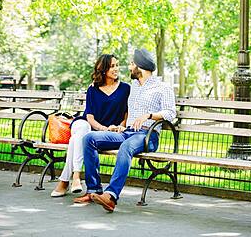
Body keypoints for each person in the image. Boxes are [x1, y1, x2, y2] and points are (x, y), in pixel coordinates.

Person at [73, 48, 176, 213]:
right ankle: (94, 190)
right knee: (89, 138)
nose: (128, 67)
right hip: (127, 132)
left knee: (126, 146)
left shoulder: (162, 87)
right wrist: (122, 125)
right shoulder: (133, 86)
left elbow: (171, 113)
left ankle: (111, 196)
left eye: (131, 64)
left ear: (140, 66)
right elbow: (125, 108)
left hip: (148, 135)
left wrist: (149, 115)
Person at [51, 54, 130, 197]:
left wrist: (119, 126)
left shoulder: (125, 88)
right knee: (82, 131)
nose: (116, 69)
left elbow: (126, 113)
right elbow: (90, 118)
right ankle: (75, 176)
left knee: (76, 140)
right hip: (86, 124)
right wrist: (105, 129)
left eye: (117, 65)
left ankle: (65, 180)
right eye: (112, 66)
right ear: (103, 69)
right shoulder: (93, 89)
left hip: (105, 133)